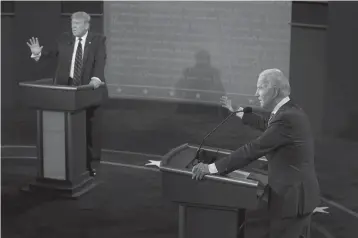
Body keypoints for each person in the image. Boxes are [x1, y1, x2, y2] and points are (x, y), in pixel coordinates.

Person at [192, 68, 320, 238]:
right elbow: (268, 126)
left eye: (260, 88)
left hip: (292, 201)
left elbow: (253, 149)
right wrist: (238, 112)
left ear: (274, 91)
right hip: (299, 196)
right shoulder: (290, 110)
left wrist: (211, 169)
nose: (256, 93)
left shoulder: (286, 118)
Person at [26, 11, 107, 176]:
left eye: (77, 24)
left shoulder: (97, 40)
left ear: (86, 25)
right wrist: (38, 53)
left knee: (90, 129)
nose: (74, 27)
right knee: (67, 129)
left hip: (88, 90)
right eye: (72, 24)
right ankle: (67, 164)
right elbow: (53, 54)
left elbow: (100, 60)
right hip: (66, 91)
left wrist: (96, 78)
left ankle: (92, 164)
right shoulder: (65, 39)